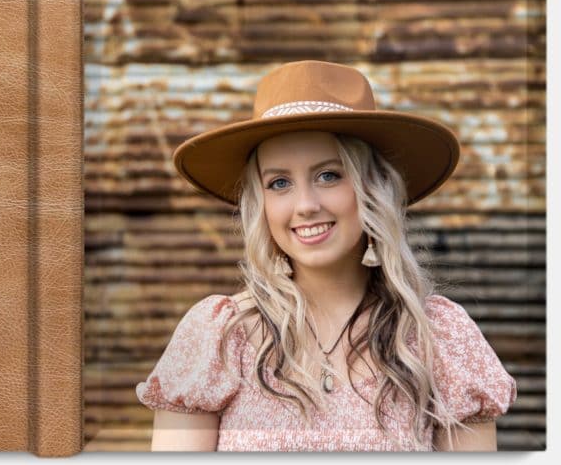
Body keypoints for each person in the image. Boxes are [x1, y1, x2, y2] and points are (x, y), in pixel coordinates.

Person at [134, 60, 517, 452]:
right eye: (279, 182)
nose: (305, 205)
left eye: (329, 175)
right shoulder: (217, 338)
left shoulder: (439, 338)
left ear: (374, 188)